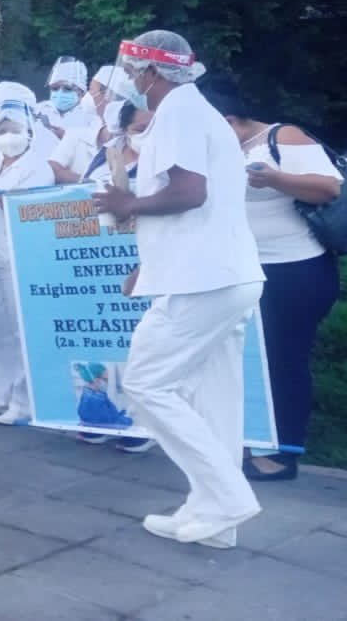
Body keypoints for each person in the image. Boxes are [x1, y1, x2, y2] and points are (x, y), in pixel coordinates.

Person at [93, 30, 265, 549]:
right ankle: (216, 518)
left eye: (130, 69)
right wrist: (148, 267)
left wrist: (129, 206)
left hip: (202, 282)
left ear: (151, 72)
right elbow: (199, 208)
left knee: (147, 384)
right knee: (214, 399)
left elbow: (190, 192)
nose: (126, 79)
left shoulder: (177, 113)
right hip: (222, 277)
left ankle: (228, 496)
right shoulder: (196, 112)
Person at [204, 83, 342, 483]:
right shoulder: (224, 151)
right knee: (250, 362)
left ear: (229, 120)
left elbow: (329, 187)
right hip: (248, 271)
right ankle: (250, 441)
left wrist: (275, 179)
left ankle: (282, 455)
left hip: (296, 271)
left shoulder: (283, 137)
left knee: (284, 361)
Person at [74, 100, 157, 453]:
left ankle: (143, 423)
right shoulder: (104, 156)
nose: (148, 135)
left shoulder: (167, 160)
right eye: (140, 129)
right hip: (97, 262)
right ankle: (99, 415)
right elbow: (76, 197)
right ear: (123, 128)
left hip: (146, 261)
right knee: (105, 344)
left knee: (144, 344)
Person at [0, 98, 54, 426]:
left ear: (29, 131)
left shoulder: (38, 166)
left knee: (22, 332)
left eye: (14, 129)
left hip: (21, 257)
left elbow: (25, 212)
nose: (7, 135)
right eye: (1, 129)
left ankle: (25, 401)